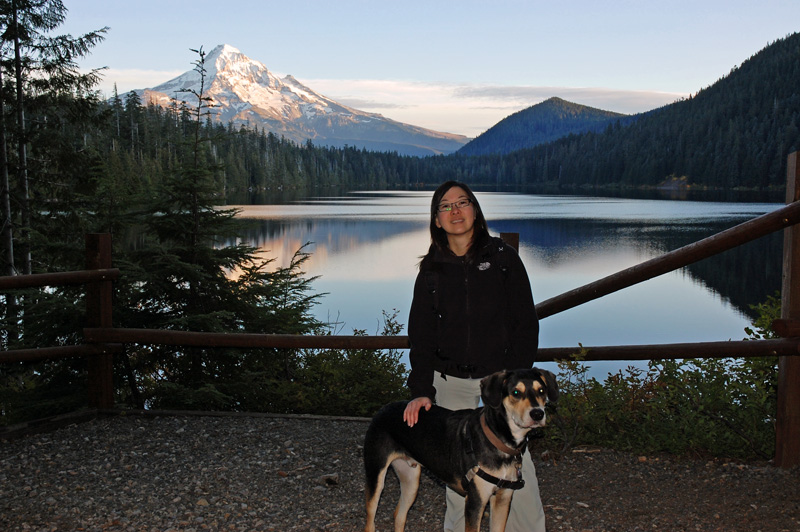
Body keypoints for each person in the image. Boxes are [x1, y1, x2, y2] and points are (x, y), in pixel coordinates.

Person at [403, 180, 545, 532]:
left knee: (515, 478)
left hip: (498, 388)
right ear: (436, 219)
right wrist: (422, 389)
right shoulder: (431, 271)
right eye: (445, 206)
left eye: (462, 203)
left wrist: (515, 382)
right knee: (463, 483)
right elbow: (420, 337)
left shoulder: (502, 259)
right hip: (449, 386)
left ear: (475, 210)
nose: (455, 211)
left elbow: (525, 324)